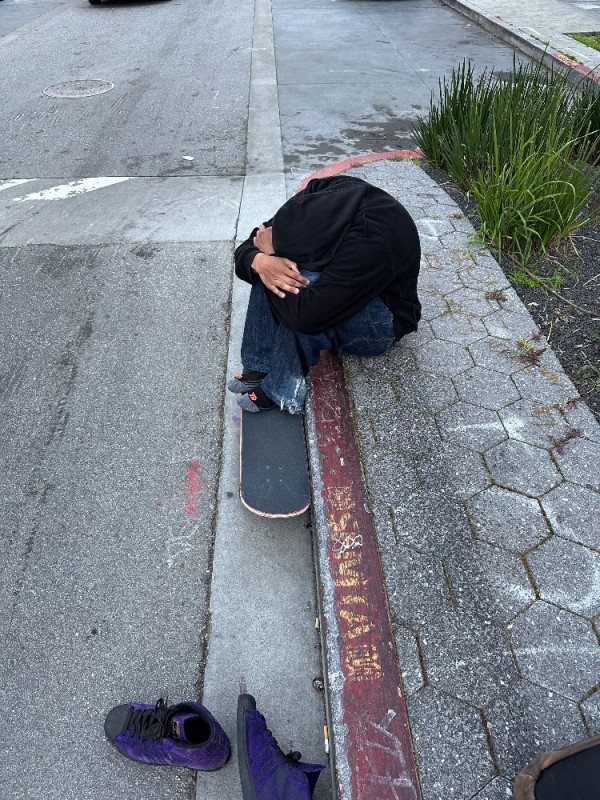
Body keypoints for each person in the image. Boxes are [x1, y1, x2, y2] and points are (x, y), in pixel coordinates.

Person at [228, 175, 421, 414]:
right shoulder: (320, 194)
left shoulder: (371, 240)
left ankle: (281, 390)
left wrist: (273, 262)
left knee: (289, 281)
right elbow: (251, 244)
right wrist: (259, 260)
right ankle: (258, 365)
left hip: (384, 320)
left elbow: (308, 316)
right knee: (269, 270)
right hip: (347, 287)